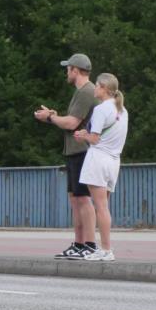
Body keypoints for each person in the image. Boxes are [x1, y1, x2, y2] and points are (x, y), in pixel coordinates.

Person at [35, 53, 99, 259]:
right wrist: (53, 117)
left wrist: (50, 117)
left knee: (83, 199)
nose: (66, 72)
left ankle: (90, 245)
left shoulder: (86, 92)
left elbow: (72, 123)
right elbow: (71, 120)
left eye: (68, 69)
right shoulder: (81, 92)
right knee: (75, 199)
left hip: (83, 151)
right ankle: (79, 244)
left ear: (75, 70)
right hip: (74, 151)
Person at [73, 74, 129, 262]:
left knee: (101, 208)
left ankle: (106, 249)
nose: (94, 89)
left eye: (97, 86)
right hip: (114, 161)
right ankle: (105, 248)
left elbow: (95, 139)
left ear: (104, 88)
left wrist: (83, 136)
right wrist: (88, 134)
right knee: (104, 207)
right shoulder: (122, 110)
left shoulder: (101, 109)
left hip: (98, 159)